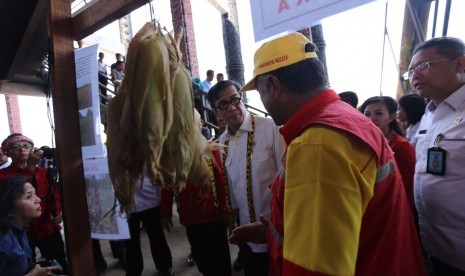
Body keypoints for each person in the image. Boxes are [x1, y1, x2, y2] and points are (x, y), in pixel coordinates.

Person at [229, 32, 427, 275]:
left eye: (260, 91)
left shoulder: (317, 145)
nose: (262, 100)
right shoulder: (342, 118)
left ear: (273, 85)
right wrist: (272, 233)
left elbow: (314, 267)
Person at [207, 80, 286, 276]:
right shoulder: (223, 141)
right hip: (246, 235)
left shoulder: (272, 128)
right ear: (216, 111)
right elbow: (233, 186)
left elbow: (288, 181)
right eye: (223, 104)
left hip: (276, 232)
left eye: (235, 99)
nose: (232, 107)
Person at [408, 36, 465, 274]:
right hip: (433, 246)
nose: (415, 76)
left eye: (424, 66)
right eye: (410, 71)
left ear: (460, 64)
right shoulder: (428, 114)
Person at [161, 109, 232, 276]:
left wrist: (224, 207)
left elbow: (221, 181)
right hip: (190, 218)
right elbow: (167, 186)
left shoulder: (211, 149)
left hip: (213, 216)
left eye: (199, 122)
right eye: (197, 122)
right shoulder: (172, 157)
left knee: (220, 258)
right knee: (202, 258)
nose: (200, 125)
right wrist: (165, 213)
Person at [0, 134, 69, 274]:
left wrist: (58, 212)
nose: (22, 150)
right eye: (16, 147)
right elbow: (20, 189)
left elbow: (54, 194)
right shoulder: (3, 175)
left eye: (26, 146)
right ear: (8, 152)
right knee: (24, 264)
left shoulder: (44, 172)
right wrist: (30, 167)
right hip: (20, 232)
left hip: (47, 227)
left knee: (59, 263)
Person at [360, 96, 416, 213]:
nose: (372, 118)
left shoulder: (401, 146)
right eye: (367, 114)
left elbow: (408, 188)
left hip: (394, 210)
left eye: (378, 114)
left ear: (391, 117)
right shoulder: (363, 143)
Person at [0, 176, 61, 275]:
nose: (38, 200)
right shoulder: (3, 241)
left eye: (35, 194)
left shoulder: (21, 229)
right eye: (29, 196)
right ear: (8, 208)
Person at [124, 175, 174, 276]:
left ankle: (165, 265)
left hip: (149, 198)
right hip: (127, 201)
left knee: (157, 236)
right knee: (131, 241)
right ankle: (134, 270)